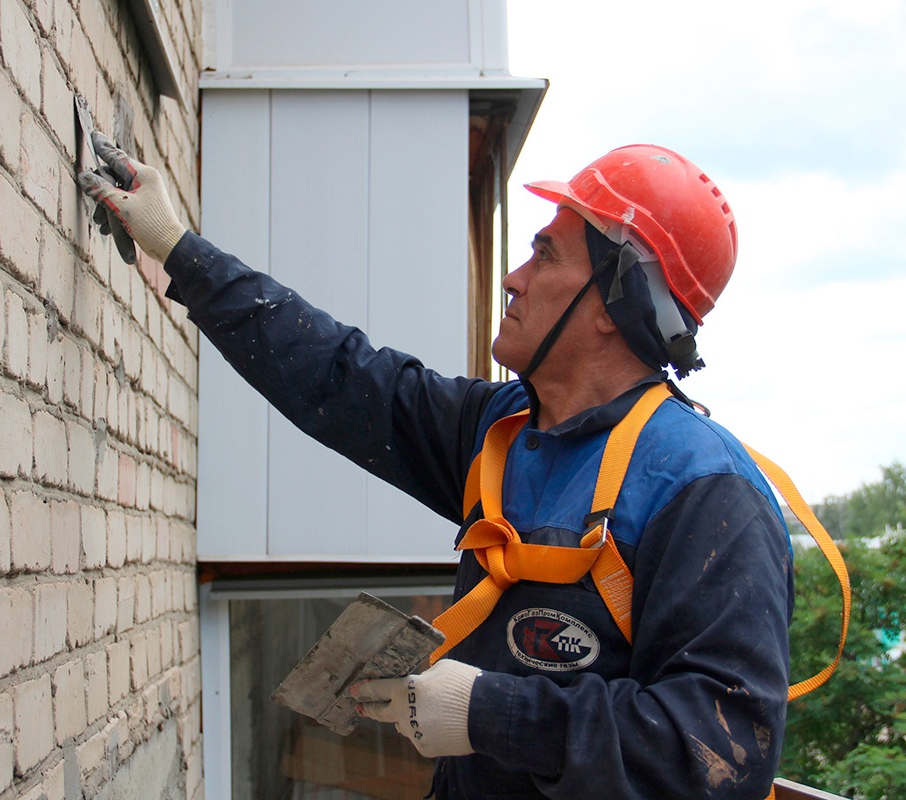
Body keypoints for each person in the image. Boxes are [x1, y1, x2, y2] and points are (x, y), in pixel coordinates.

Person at [80, 134, 792, 800]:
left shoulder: (705, 495)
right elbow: (335, 374)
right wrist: (179, 251)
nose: (513, 278)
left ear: (617, 300)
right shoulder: (502, 431)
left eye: (546, 255)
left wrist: (488, 713)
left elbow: (717, 753)